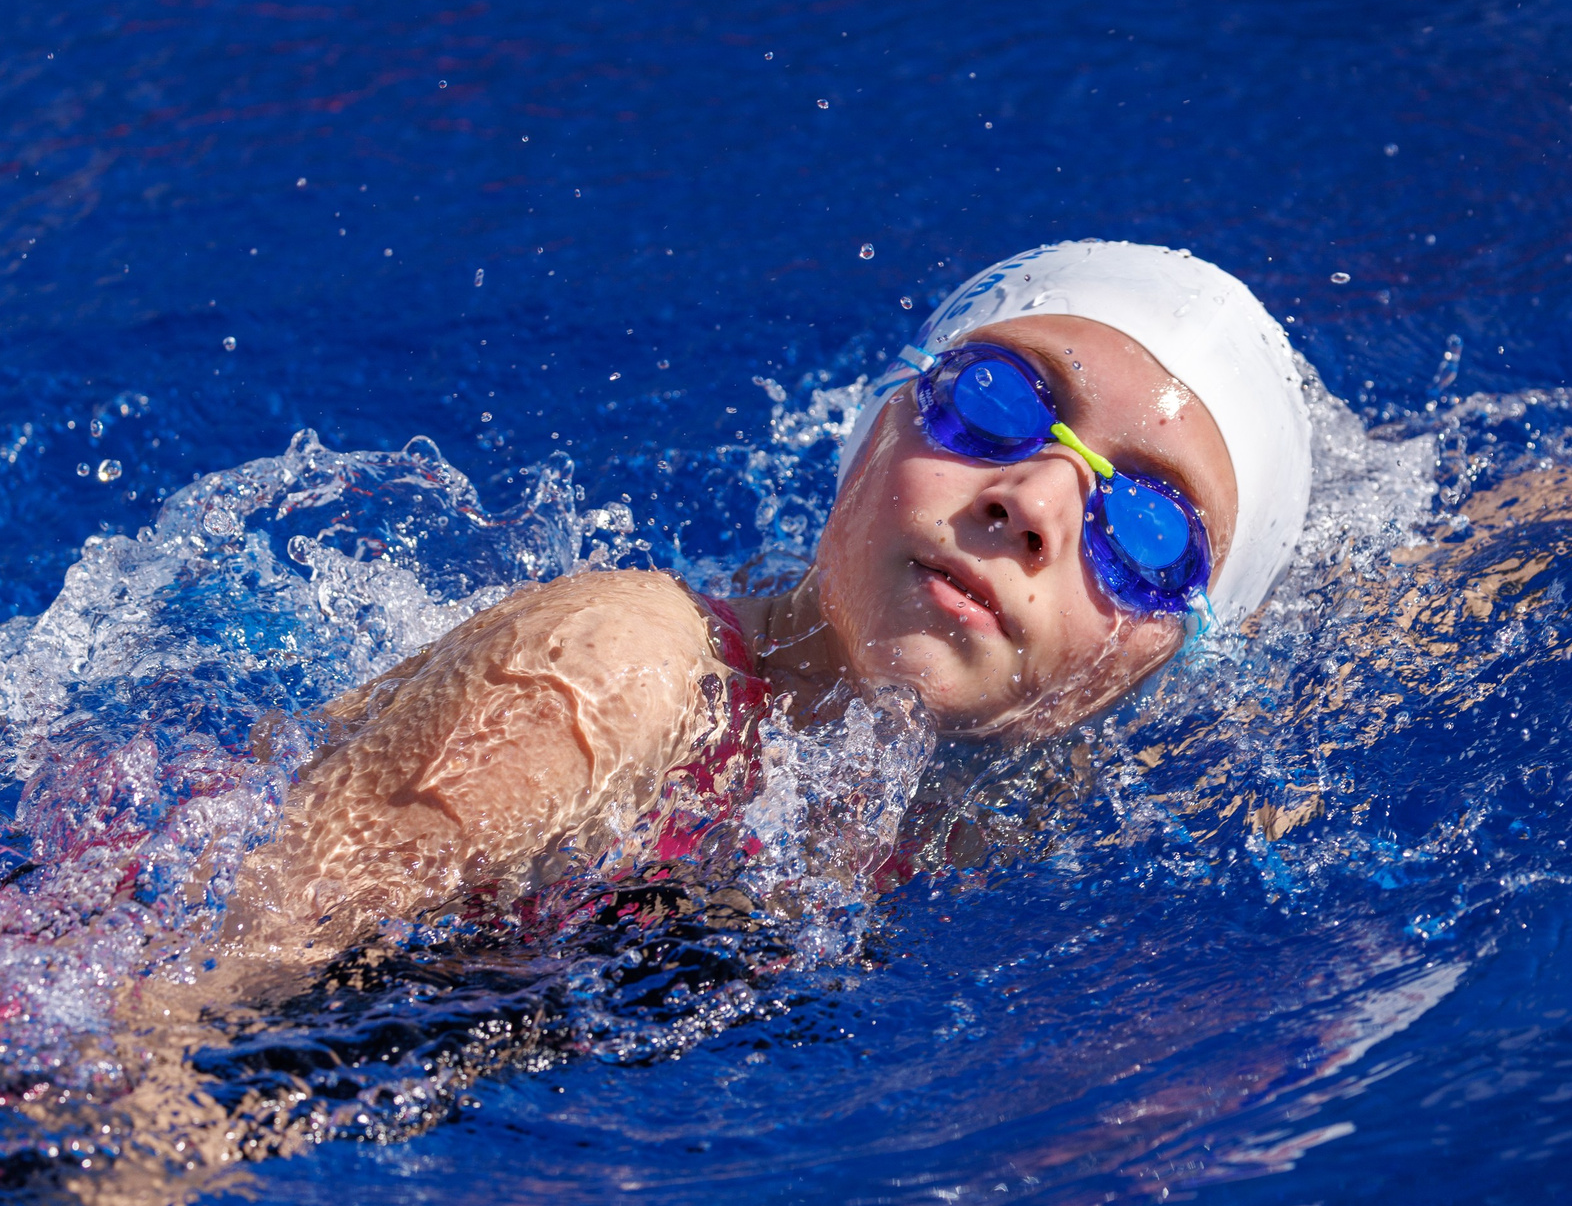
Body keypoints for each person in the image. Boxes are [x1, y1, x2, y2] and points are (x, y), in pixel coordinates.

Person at [188, 241, 1319, 994]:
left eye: (1148, 531)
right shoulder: (618, 674)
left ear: (1178, 649)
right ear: (875, 429)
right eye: (998, 404)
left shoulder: (1013, 811)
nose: (1031, 502)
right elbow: (188, 1002)